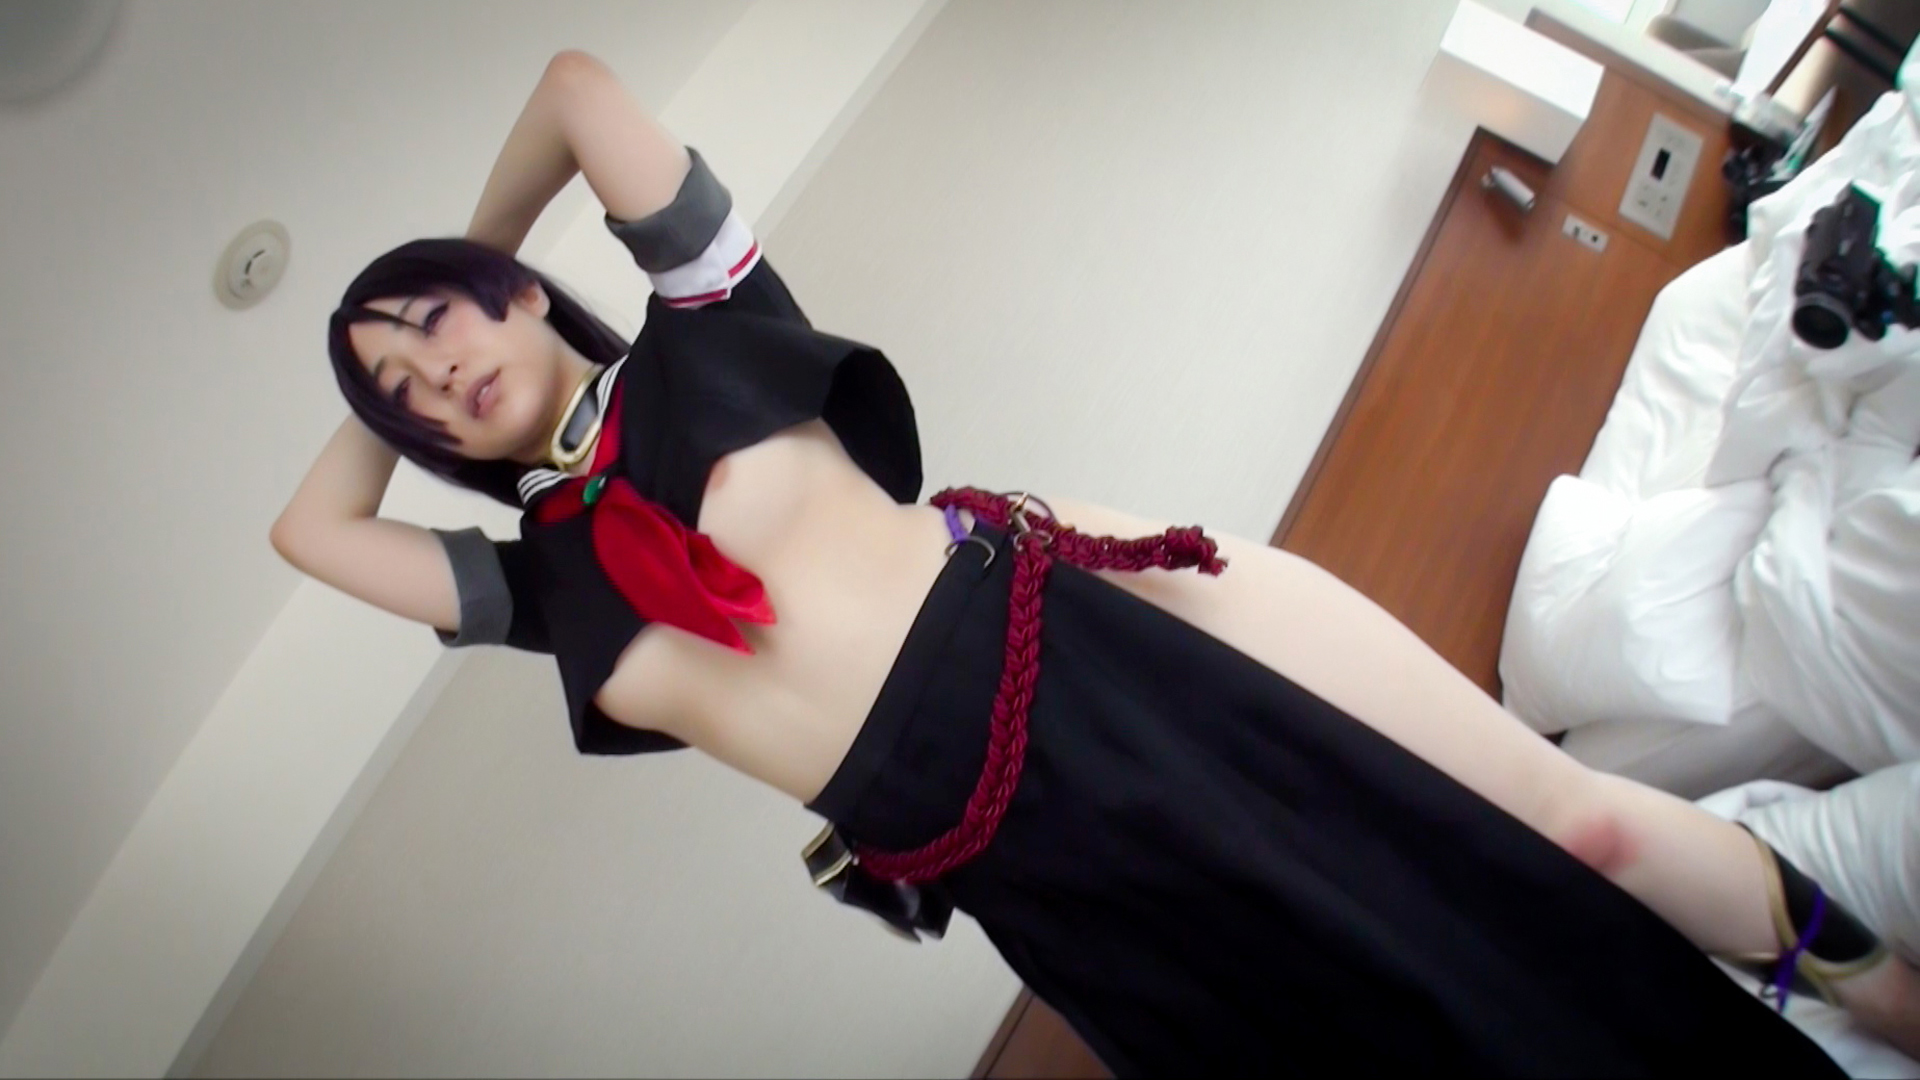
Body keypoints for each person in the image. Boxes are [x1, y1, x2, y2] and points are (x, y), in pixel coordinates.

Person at [272, 50, 1916, 1076]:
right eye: (399, 390)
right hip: (1034, 861)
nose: (431, 374)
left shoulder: (713, 334)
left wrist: (460, 256)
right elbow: (311, 535)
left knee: (1578, 830)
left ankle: (1892, 1000)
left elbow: (574, 91)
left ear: (510, 284)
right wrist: (379, 384)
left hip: (1108, 643)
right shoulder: (542, 591)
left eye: (436, 323)